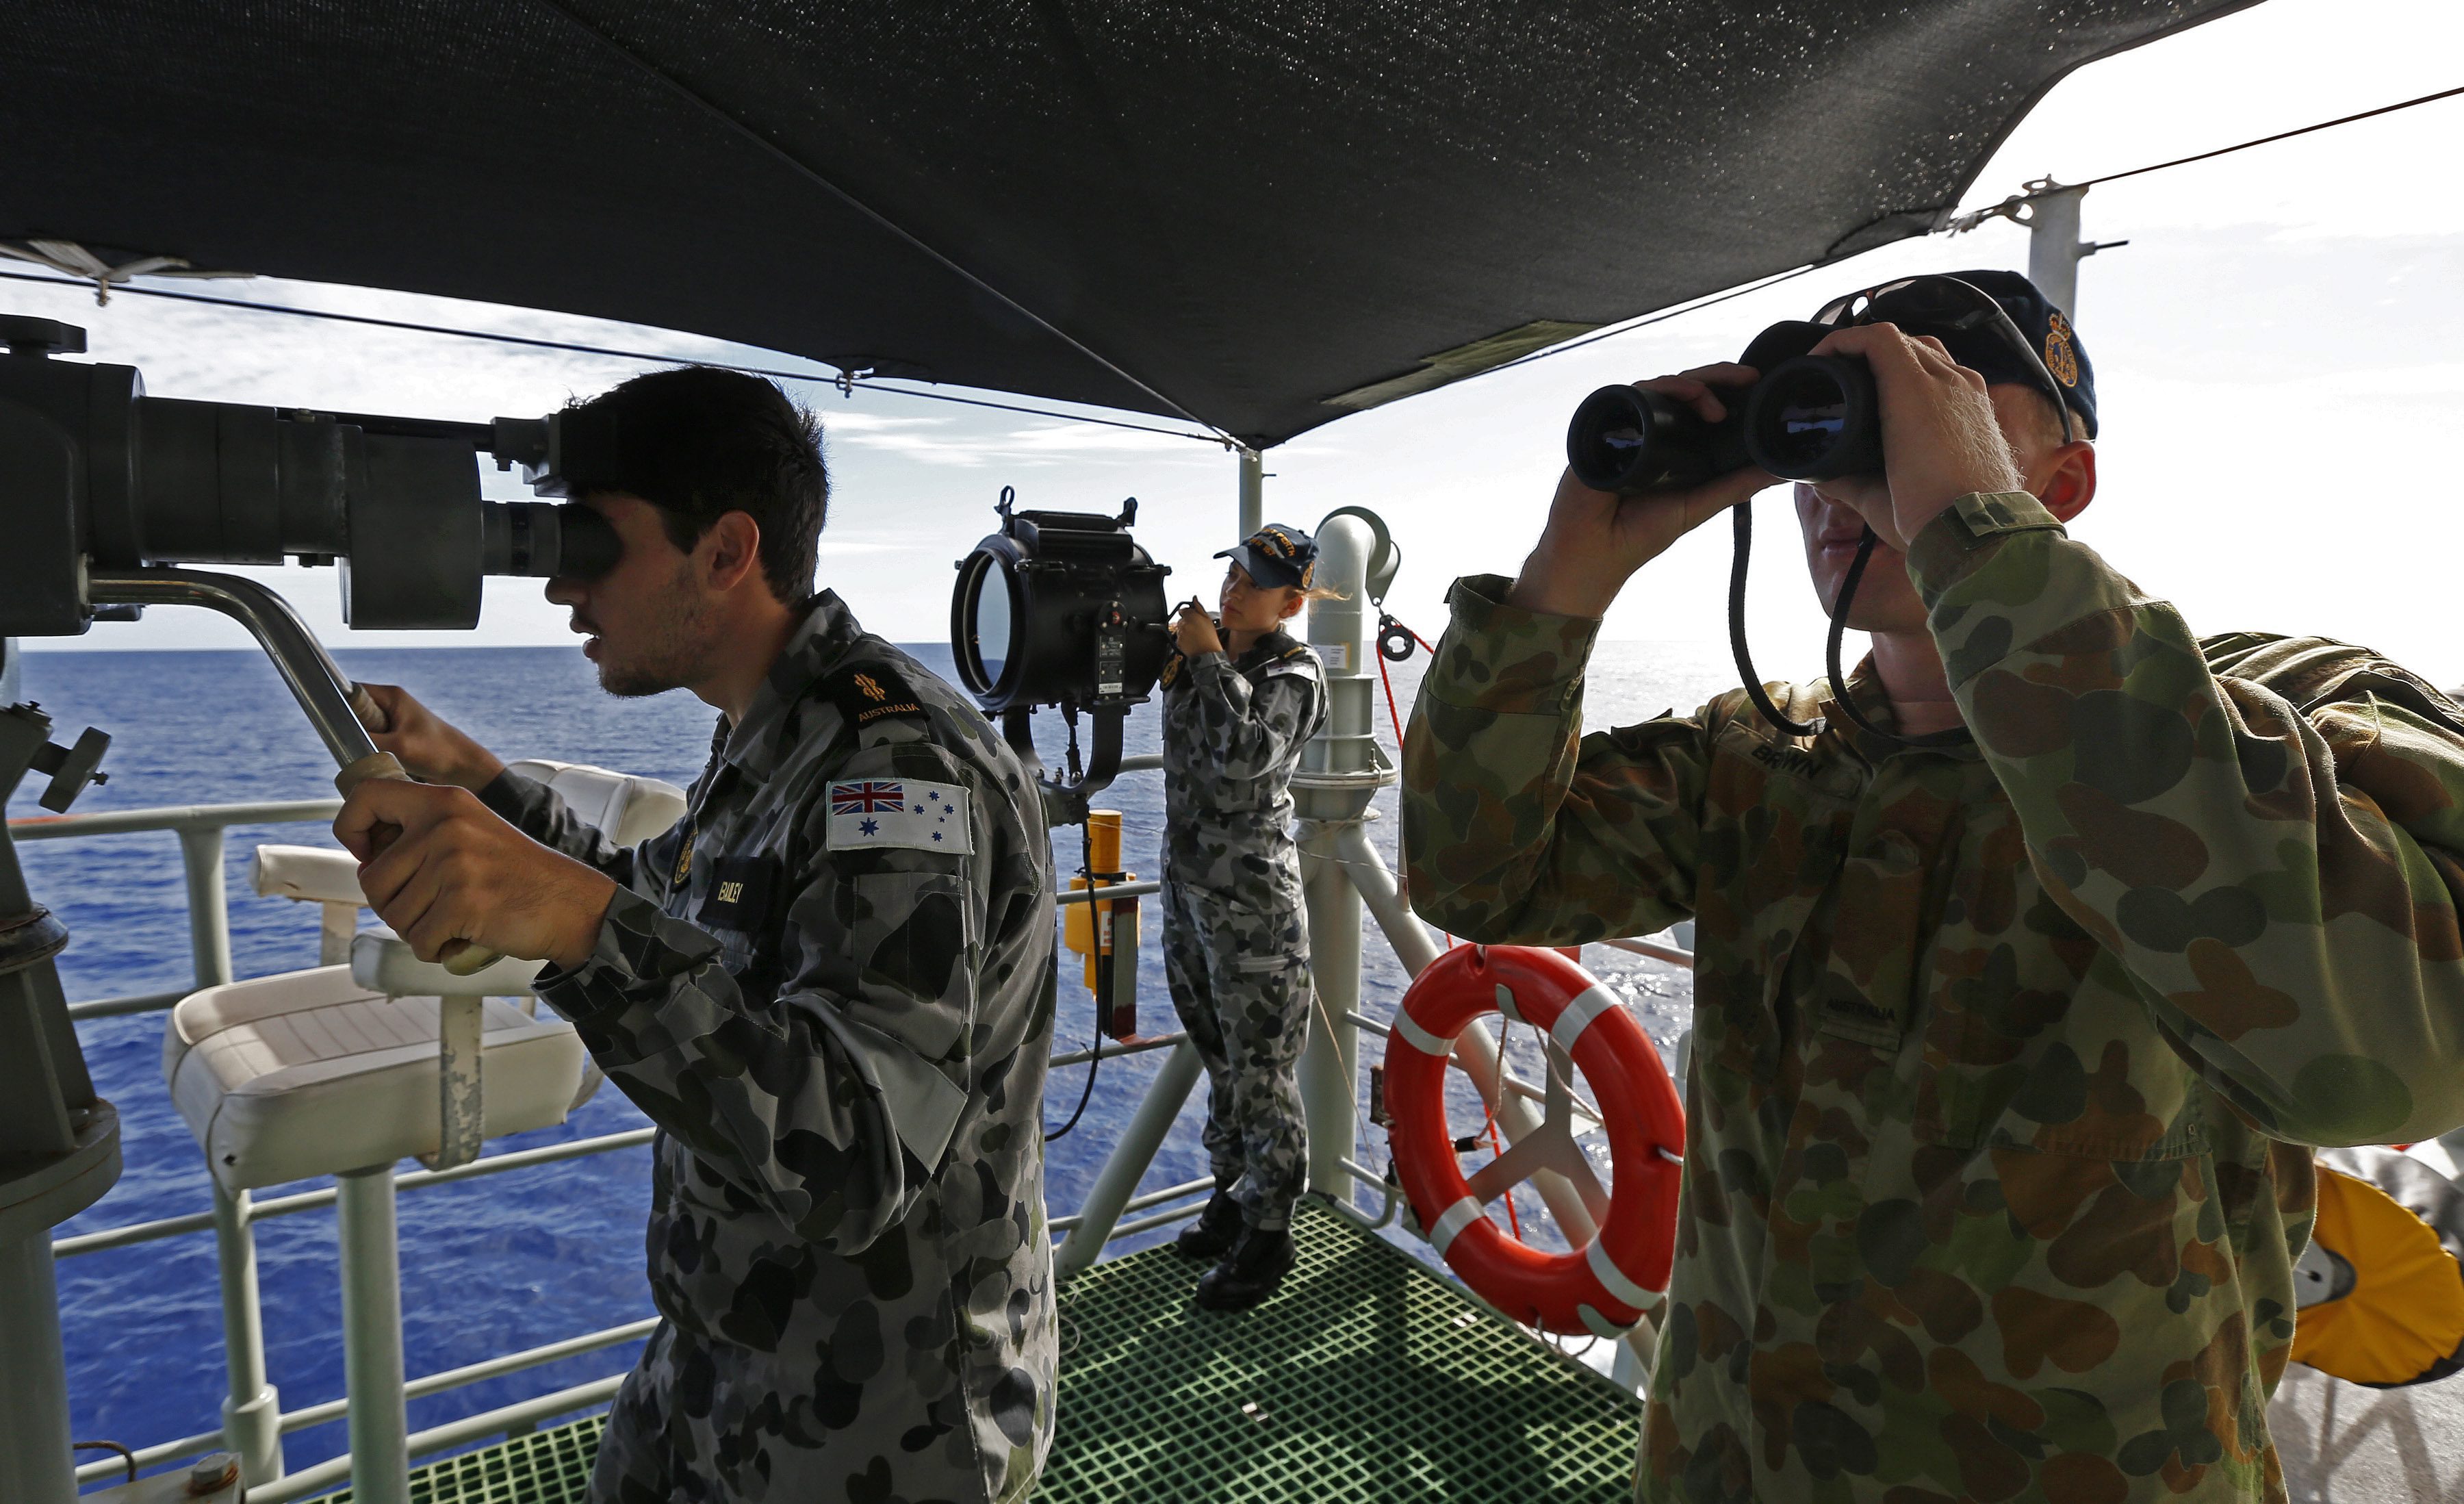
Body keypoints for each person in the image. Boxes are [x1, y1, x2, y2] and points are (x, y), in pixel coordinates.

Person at [1400, 270, 2464, 1503]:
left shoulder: (2282, 707)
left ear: (2060, 485)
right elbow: (1479, 878)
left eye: (1916, 403)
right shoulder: (1761, 752)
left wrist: (1972, 530)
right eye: (1824, 424)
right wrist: (1567, 579)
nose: (1841, 479)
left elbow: (2391, 1058)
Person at [333, 368, 1058, 1504]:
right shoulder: (779, 733)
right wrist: (475, 777)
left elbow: (855, 1158)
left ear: (725, 551)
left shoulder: (896, 764)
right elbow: (665, 907)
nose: (562, 585)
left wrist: (571, 920)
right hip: (726, 1359)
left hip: (881, 1425)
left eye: (591, 543)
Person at [1158, 524, 1331, 1310]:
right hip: (1190, 889)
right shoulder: (1208, 656)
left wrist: (1205, 660)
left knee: (1262, 1070)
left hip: (1253, 905)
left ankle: (1270, 1231)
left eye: (1254, 582)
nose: (1233, 589)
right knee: (1220, 1058)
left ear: (1291, 602)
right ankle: (1232, 1191)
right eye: (1233, 572)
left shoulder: (1294, 672)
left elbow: (1246, 759)